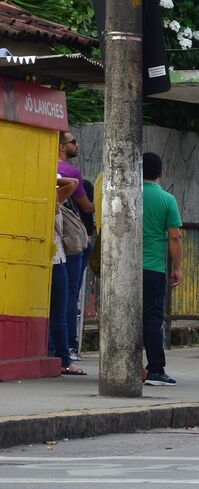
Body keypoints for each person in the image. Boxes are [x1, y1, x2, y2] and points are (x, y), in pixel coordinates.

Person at [141, 152, 183, 386]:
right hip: (153, 268)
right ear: (161, 174)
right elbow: (175, 236)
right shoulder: (167, 200)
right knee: (152, 319)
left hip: (125, 270)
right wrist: (177, 267)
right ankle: (156, 369)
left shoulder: (126, 194)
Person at [57, 131, 94, 363]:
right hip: (72, 241)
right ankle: (70, 345)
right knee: (70, 294)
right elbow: (87, 207)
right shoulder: (72, 173)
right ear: (61, 146)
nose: (76, 145)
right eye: (72, 142)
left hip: (58, 240)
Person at [51, 174, 85, 376]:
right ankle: (64, 359)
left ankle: (55, 353)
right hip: (55, 260)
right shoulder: (52, 200)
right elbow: (73, 183)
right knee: (59, 313)